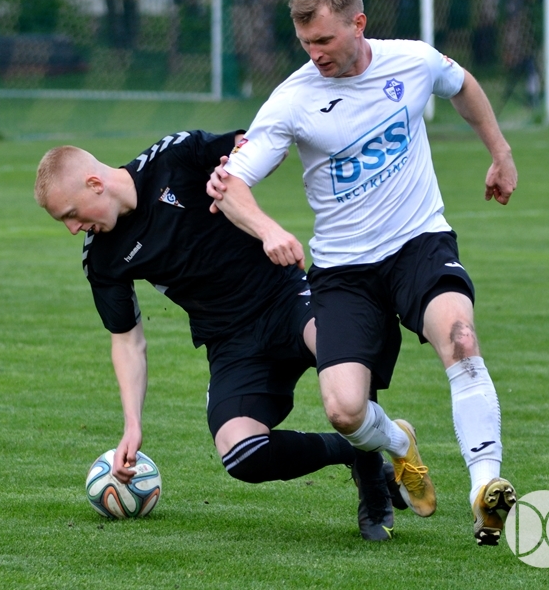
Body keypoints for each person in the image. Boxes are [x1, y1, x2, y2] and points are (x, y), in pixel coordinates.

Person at [206, 0, 518, 546]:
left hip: (419, 242)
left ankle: (485, 488)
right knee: (345, 411)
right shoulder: (293, 99)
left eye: (325, 40)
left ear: (358, 24)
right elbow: (228, 187)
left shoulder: (411, 61)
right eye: (306, 43)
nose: (315, 54)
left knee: (460, 338)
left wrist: (499, 153)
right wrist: (268, 230)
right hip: (344, 272)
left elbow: (462, 85)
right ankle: (399, 443)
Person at [33, 130, 406, 541]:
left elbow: (261, 145)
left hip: (285, 299)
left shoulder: (175, 157)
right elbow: (127, 341)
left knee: (339, 348)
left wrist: (243, 165)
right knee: (241, 453)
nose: (73, 229)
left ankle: (373, 484)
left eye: (71, 214)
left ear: (94, 183)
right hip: (231, 341)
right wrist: (132, 425)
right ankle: (355, 449)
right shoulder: (102, 258)